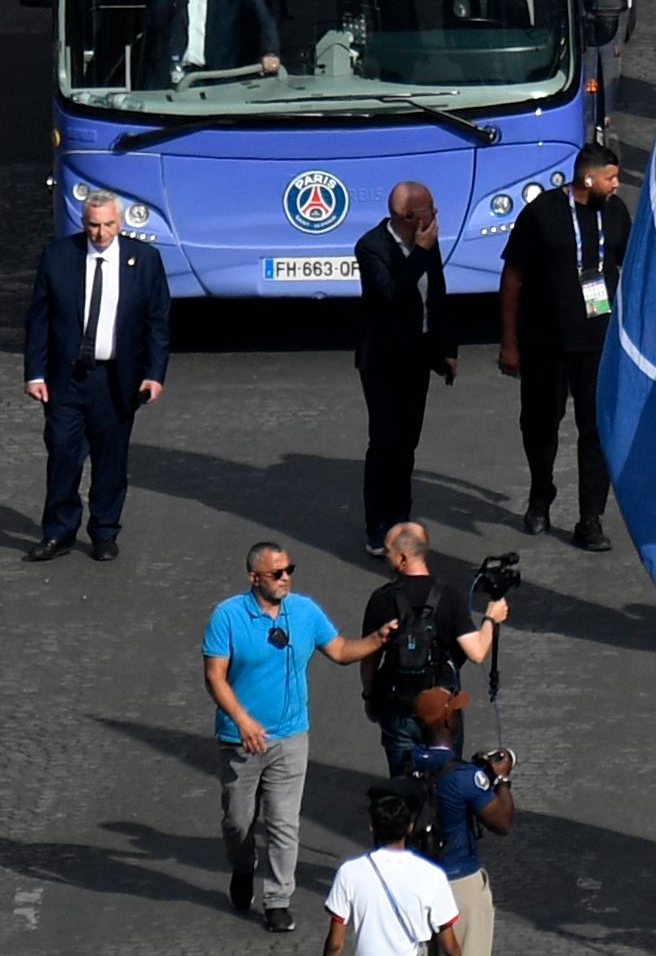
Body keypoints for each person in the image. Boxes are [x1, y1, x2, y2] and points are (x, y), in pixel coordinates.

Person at [204, 540, 401, 934]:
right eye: (276, 573)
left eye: (289, 569)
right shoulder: (227, 616)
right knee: (237, 822)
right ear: (253, 577)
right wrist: (242, 720)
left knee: (283, 822)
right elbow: (214, 676)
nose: (285, 578)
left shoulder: (304, 611)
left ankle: (278, 899)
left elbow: (342, 650)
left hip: (292, 736)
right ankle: (243, 867)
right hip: (240, 740)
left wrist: (377, 640)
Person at [23, 187, 171, 562]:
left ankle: (105, 531)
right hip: (66, 378)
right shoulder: (58, 257)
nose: (101, 234)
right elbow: (39, 319)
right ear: (82, 223)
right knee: (62, 455)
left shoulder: (145, 260)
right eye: (93, 226)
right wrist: (35, 372)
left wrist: (154, 374)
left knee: (110, 460)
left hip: (115, 380)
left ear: (119, 223)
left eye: (108, 225)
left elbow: (157, 322)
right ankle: (59, 531)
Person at [497, 139, 627, 549]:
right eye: (611, 177)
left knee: (597, 430)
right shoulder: (542, 214)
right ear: (588, 177)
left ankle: (591, 518)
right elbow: (512, 278)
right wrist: (509, 342)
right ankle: (541, 493)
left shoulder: (616, 213)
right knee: (539, 425)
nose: (619, 184)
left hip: (599, 344)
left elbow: (633, 267)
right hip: (545, 343)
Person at [354, 183, 456, 555]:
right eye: (429, 208)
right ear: (407, 216)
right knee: (384, 442)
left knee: (407, 442)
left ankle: (401, 519)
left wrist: (447, 348)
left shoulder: (427, 242)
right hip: (381, 360)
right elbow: (391, 294)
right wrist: (420, 255)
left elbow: (438, 295)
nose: (435, 215)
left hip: (416, 356)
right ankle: (377, 525)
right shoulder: (371, 247)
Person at [357, 525, 504, 773]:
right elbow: (477, 652)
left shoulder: (382, 599)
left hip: (398, 707)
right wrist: (491, 617)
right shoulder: (448, 596)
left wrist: (370, 698)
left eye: (388, 551)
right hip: (441, 708)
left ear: (403, 558)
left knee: (401, 785)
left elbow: (369, 660)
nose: (385, 556)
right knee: (447, 782)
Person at [391, 685, 512, 956]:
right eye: (455, 711)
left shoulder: (406, 766)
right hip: (459, 882)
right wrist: (501, 779)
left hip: (415, 883)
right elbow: (502, 822)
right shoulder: (465, 777)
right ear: (447, 720)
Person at [317, 781, 463, 956]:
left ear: (372, 827)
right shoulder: (432, 875)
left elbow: (335, 945)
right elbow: (450, 946)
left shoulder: (349, 872)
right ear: (409, 827)